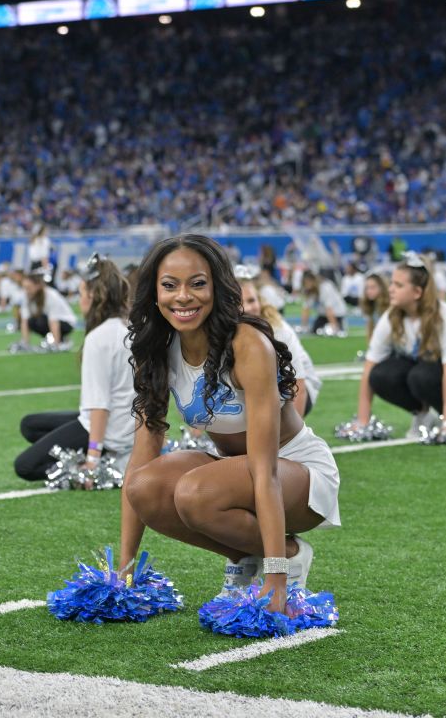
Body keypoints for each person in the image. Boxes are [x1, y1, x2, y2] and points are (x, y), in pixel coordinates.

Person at [120, 234, 341, 614]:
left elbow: (264, 467)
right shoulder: (156, 350)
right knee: (145, 488)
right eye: (170, 285)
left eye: (198, 283)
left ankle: (288, 556)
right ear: (154, 293)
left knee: (195, 493)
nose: (183, 297)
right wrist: (123, 570)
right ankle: (243, 556)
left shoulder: (247, 344)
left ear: (218, 286)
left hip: (297, 472)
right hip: (233, 473)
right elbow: (140, 461)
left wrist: (276, 573)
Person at [14, 256, 136, 480]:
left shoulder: (99, 338)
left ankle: (111, 458)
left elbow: (100, 405)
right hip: (127, 426)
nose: (79, 301)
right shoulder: (130, 327)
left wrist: (93, 458)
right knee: (30, 425)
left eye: (81, 294)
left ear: (93, 296)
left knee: (24, 466)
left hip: (109, 431)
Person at [353, 252, 446, 438]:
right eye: (392, 283)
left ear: (417, 292)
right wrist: (362, 422)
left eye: (398, 285)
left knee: (420, 376)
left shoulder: (444, 315)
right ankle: (423, 415)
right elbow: (369, 367)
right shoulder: (390, 317)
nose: (390, 289)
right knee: (380, 375)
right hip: (419, 370)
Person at [237, 269, 320, 417]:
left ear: (260, 301)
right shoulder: (224, 330)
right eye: (239, 303)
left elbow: (298, 387)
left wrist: (296, 437)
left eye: (251, 300)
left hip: (295, 388)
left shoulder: (278, 330)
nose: (248, 308)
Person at [17, 271, 78, 349]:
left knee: (41, 320)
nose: (26, 290)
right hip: (49, 321)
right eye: (24, 287)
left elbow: (54, 320)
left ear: (38, 285)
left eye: (29, 287)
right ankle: (52, 339)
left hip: (66, 323)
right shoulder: (27, 295)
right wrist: (25, 343)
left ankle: (59, 341)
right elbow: (24, 320)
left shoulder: (51, 295)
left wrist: (56, 344)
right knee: (32, 321)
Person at [298, 270, 347, 335]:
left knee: (334, 332)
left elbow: (329, 309)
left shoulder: (325, 287)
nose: (306, 285)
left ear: (312, 281)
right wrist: (303, 326)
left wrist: (334, 327)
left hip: (337, 314)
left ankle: (339, 325)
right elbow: (305, 309)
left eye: (307, 282)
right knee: (315, 331)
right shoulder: (310, 291)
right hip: (323, 315)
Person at [358, 272, 390, 346]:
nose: (369, 291)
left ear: (381, 288)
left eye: (373, 287)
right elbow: (369, 330)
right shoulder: (370, 306)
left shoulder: (388, 306)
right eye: (367, 288)